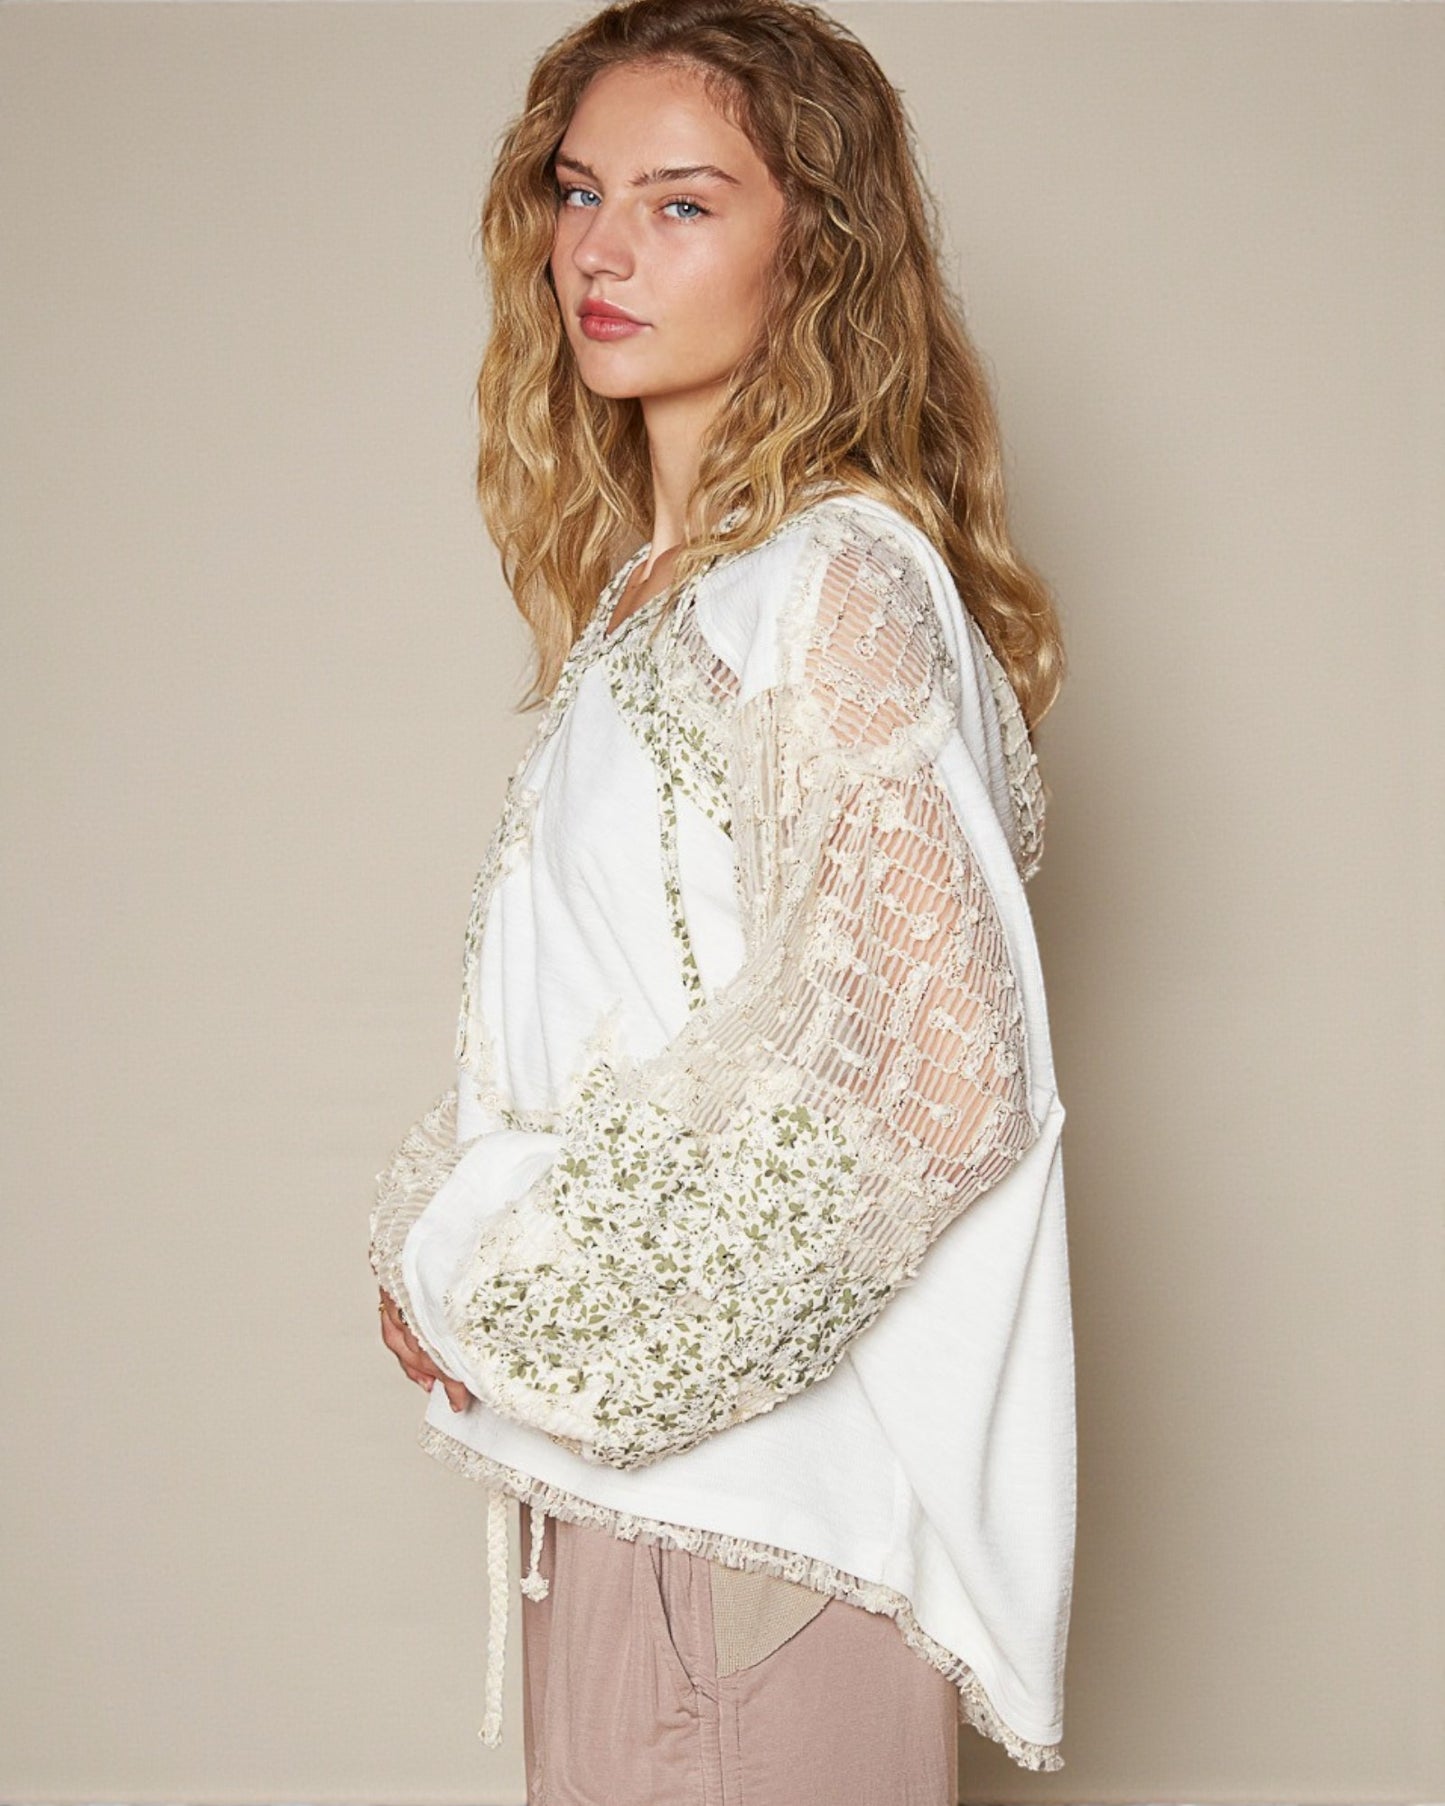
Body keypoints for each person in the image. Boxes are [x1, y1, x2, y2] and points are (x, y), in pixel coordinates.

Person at [369, 1, 1076, 1798]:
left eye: (682, 204)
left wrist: (511, 1290)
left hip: (746, 1526)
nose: (599, 249)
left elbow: (939, 1072)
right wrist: (468, 1261)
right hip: (652, 1503)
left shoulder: (825, 581)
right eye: (577, 188)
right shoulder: (668, 595)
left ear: (814, 249)